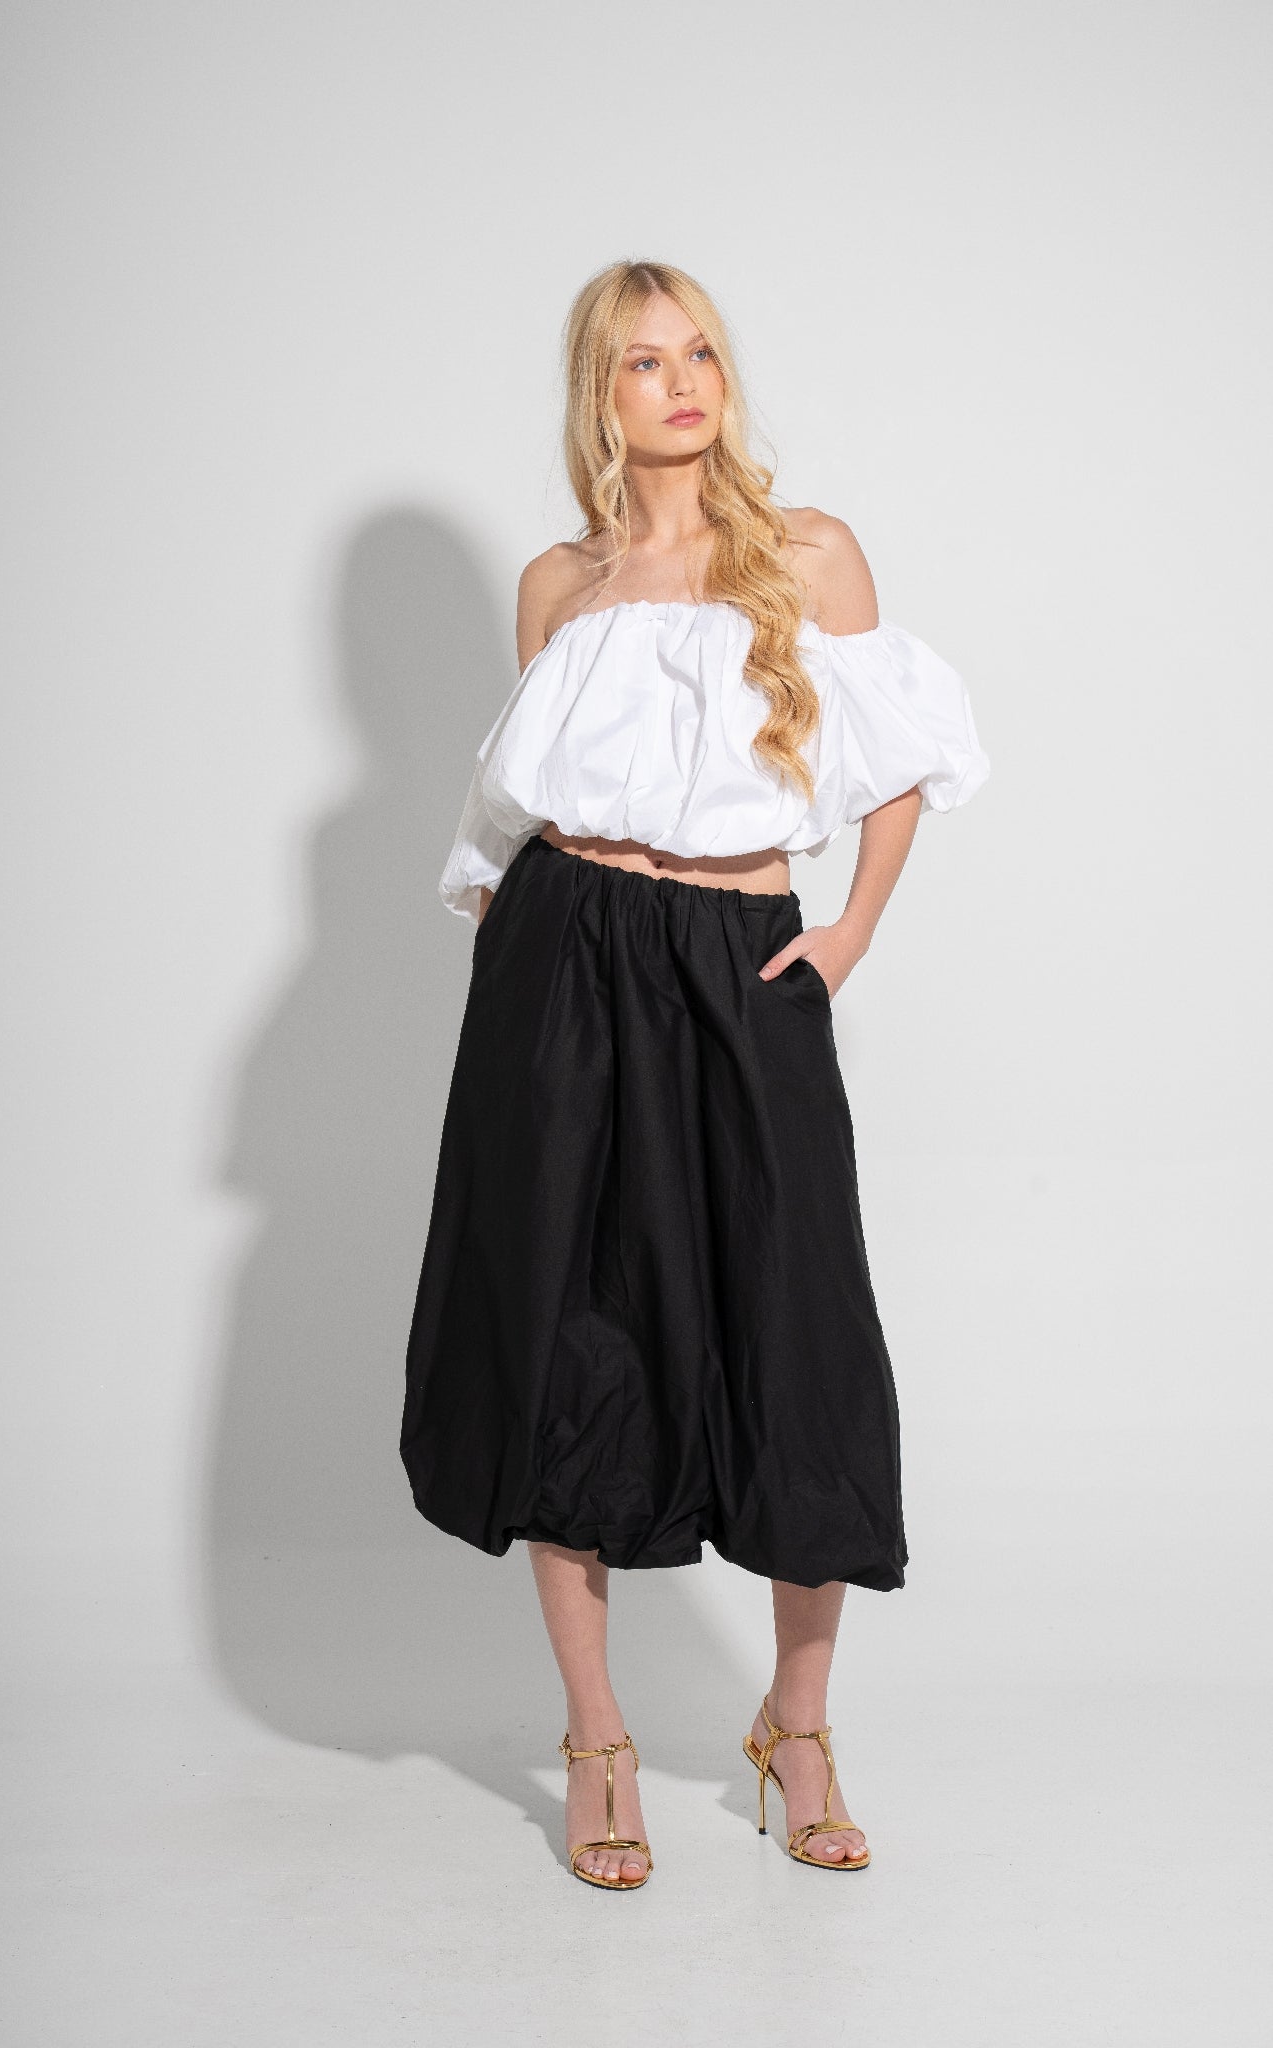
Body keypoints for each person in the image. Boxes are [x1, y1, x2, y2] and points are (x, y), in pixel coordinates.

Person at [400, 259, 990, 1891]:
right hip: (559, 959)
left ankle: (795, 1726)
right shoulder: (560, 582)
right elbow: (513, 810)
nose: (683, 384)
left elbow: (897, 762)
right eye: (644, 361)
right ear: (597, 392)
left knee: (793, 1324)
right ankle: (595, 1737)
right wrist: (522, 993)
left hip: (738, 958)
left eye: (703, 354)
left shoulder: (806, 552)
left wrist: (848, 934)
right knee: (564, 1324)